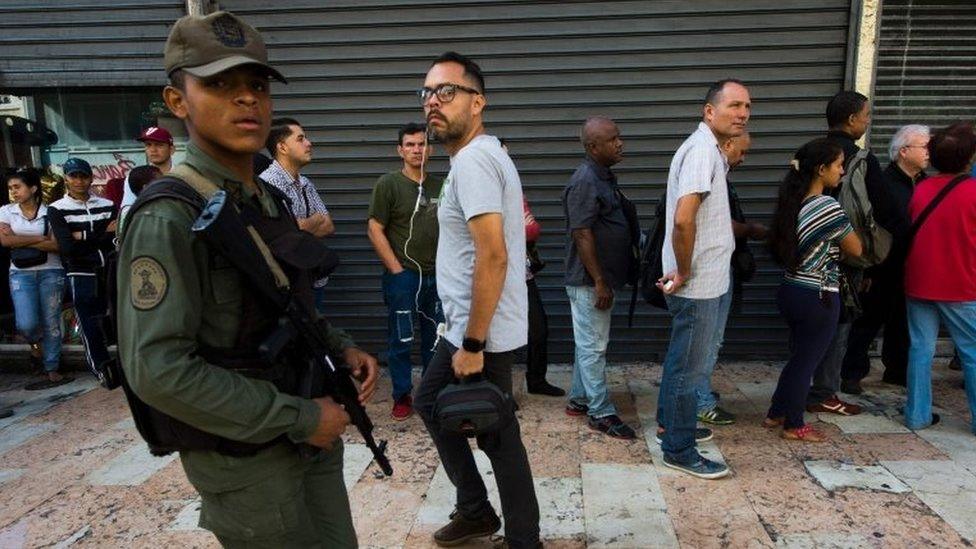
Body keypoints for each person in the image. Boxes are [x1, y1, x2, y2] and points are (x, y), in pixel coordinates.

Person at [116, 11, 378, 547]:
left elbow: (286, 303)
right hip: (249, 460)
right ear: (177, 101)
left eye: (257, 85)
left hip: (308, 435)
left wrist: (342, 346)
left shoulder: (267, 197)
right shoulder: (168, 216)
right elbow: (157, 370)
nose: (247, 99)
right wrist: (301, 417)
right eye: (219, 84)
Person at [412, 51, 541, 549]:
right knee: (438, 406)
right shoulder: (475, 159)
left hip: (477, 329)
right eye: (426, 93)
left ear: (478, 102)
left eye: (447, 92)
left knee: (498, 435)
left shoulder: (474, 161)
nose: (433, 103)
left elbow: (494, 256)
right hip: (467, 325)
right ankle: (476, 510)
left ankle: (519, 536)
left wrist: (473, 341)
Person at [656, 79, 751, 479]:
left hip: (706, 280)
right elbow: (683, 219)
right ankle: (679, 449)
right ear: (709, 111)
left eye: (747, 106)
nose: (743, 113)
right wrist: (686, 270)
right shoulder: (702, 152)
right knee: (688, 370)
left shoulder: (709, 150)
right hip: (697, 284)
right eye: (733, 106)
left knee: (683, 361)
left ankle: (672, 427)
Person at [765, 139, 862, 442]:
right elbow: (856, 248)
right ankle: (794, 424)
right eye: (838, 165)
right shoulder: (826, 206)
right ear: (821, 169)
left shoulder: (792, 204)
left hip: (792, 289)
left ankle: (777, 412)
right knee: (806, 362)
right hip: (818, 295)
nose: (842, 171)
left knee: (799, 357)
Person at [808, 91, 898, 412]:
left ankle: (803, 384)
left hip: (806, 257)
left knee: (809, 322)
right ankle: (824, 392)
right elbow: (887, 212)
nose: (868, 121)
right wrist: (871, 260)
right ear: (851, 120)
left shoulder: (810, 154)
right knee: (840, 323)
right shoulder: (860, 160)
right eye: (866, 115)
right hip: (845, 257)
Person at [840, 124, 930, 394]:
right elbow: (869, 223)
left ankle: (897, 370)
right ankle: (852, 372)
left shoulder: (926, 183)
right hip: (884, 265)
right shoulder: (884, 182)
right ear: (903, 151)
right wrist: (867, 268)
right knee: (869, 319)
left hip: (915, 266)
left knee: (903, 320)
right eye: (924, 146)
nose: (929, 152)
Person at [562, 116, 637, 438]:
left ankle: (580, 399)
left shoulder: (604, 177)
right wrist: (599, 281)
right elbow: (581, 233)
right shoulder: (585, 180)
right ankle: (600, 412)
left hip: (599, 279)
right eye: (612, 139)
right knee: (594, 347)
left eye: (619, 137)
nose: (619, 143)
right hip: (589, 282)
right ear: (593, 147)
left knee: (589, 343)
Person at [367, 122, 444, 420]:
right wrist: (397, 270)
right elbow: (375, 228)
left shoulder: (442, 185)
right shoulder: (388, 184)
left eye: (421, 144)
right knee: (400, 340)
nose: (416, 150)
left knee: (435, 340)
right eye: (410, 145)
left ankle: (431, 394)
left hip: (437, 277)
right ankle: (402, 395)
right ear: (400, 150)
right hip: (404, 277)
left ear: (431, 149)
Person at [903, 122, 976, 433]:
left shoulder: (920, 189)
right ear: (968, 158)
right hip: (961, 284)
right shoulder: (973, 192)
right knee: (972, 352)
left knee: (920, 350)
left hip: (919, 282)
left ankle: (916, 415)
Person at [499, 137, 563, 397]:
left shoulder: (514, 192)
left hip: (521, 274)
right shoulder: (484, 193)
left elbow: (532, 228)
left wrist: (514, 229)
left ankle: (536, 380)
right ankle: (501, 392)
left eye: (507, 156)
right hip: (496, 274)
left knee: (538, 328)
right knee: (499, 337)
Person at [48, 158, 117, 387]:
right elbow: (67, 247)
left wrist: (82, 236)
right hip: (81, 272)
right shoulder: (57, 209)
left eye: (83, 176)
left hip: (109, 269)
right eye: (73, 176)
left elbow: (115, 238)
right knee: (89, 322)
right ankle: (101, 368)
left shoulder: (107, 204)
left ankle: (124, 365)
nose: (79, 181)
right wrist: (98, 234)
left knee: (116, 319)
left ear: (91, 177)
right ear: (66, 178)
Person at [0, 169, 70, 389]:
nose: (14, 192)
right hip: (20, 273)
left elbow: (57, 245)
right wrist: (39, 238)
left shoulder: (51, 212)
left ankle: (51, 366)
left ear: (33, 188)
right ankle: (35, 345)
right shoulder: (6, 211)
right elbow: (5, 241)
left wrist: (19, 239)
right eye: (11, 188)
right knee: (26, 322)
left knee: (51, 320)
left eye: (17, 187)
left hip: (51, 270)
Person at [260, 117, 335, 313]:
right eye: (300, 139)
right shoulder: (267, 185)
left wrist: (300, 228)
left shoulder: (305, 183)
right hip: (289, 285)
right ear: (282, 147)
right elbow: (280, 237)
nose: (309, 143)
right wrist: (310, 223)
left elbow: (327, 225)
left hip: (314, 279)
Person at [119, 126, 177, 222]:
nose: (153, 150)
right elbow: (127, 212)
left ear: (172, 149)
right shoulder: (135, 176)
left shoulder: (184, 175)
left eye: (159, 145)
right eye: (148, 145)